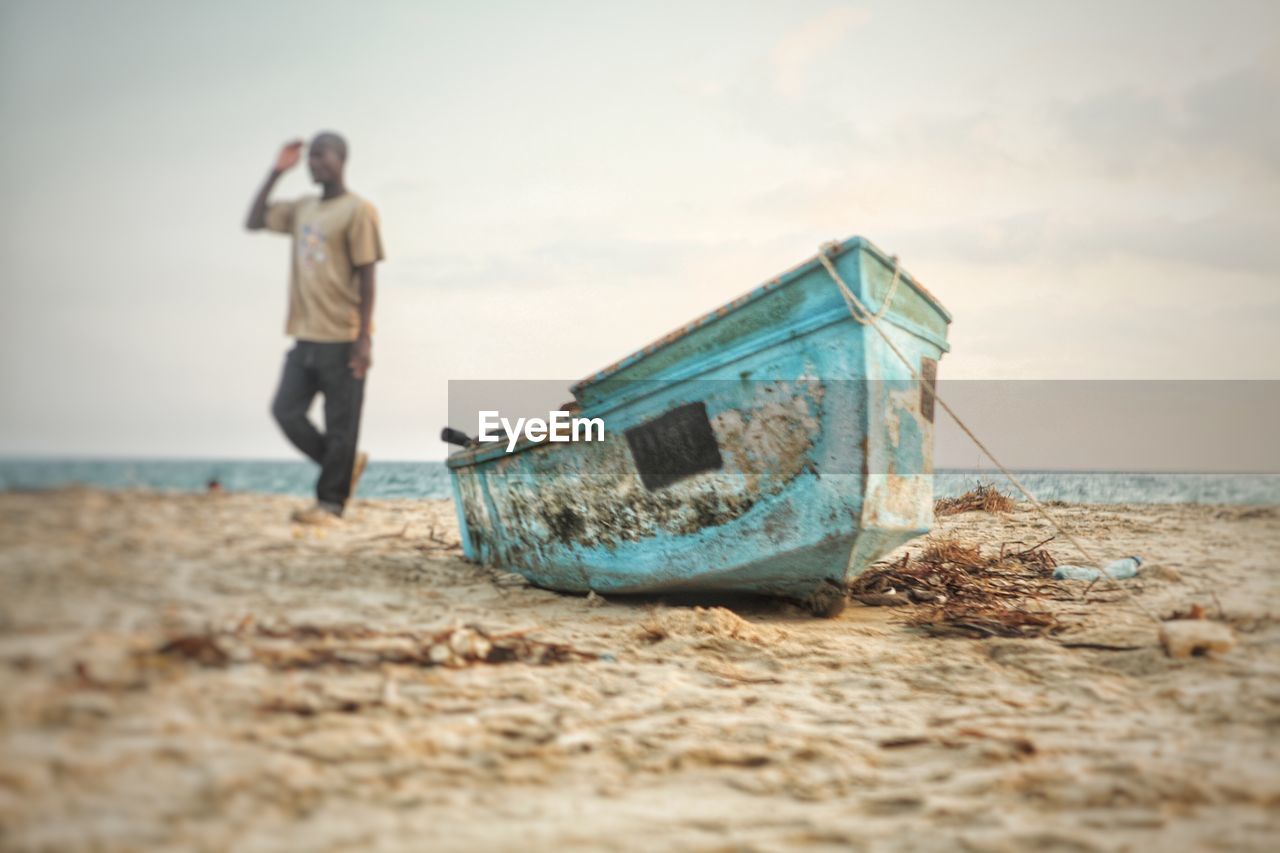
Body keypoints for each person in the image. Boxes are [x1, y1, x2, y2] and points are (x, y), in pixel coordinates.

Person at [245, 132, 384, 524]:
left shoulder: (359, 211)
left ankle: (330, 505)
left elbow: (368, 277)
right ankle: (341, 466)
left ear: (342, 159)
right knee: (286, 411)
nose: (313, 163)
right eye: (310, 158)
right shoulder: (303, 207)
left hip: (343, 336)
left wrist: (364, 339)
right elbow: (254, 221)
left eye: (321, 156)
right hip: (304, 335)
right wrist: (277, 171)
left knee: (342, 425)